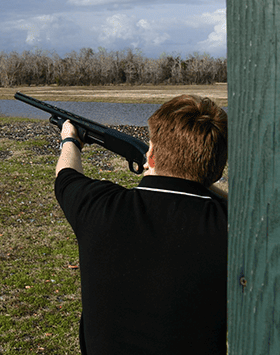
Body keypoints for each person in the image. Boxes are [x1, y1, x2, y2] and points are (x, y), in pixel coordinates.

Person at [54, 94, 228, 354]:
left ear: (151, 155)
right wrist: (200, 176)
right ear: (218, 170)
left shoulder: (100, 207)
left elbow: (65, 177)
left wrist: (70, 139)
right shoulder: (232, 226)